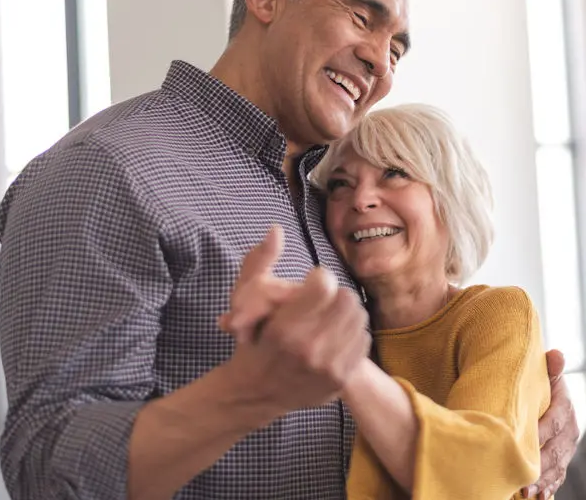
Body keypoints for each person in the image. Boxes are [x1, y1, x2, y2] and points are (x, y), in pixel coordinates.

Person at [0, 0, 576, 500]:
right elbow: (48, 469)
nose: (381, 61)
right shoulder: (106, 169)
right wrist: (245, 393)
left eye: (396, 47)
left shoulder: (332, 198)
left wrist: (530, 413)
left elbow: (433, 353)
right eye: (361, 17)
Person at [224, 104, 562, 499]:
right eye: (340, 185)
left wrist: (343, 364)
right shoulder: (334, 326)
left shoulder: (498, 313)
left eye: (395, 173)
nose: (361, 199)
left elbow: (477, 479)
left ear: (450, 199)